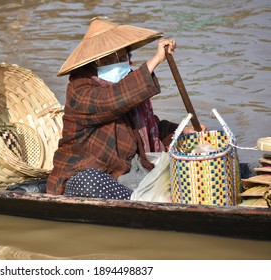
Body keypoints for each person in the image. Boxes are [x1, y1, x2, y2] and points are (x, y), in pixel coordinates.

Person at [46, 17, 206, 200]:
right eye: (110, 59)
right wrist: (154, 61)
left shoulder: (125, 86)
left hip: (125, 172)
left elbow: (150, 127)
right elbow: (111, 101)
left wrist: (184, 130)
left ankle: (146, 198)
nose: (120, 63)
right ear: (95, 62)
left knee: (185, 164)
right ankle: (141, 202)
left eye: (123, 57)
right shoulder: (80, 90)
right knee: (89, 181)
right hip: (81, 174)